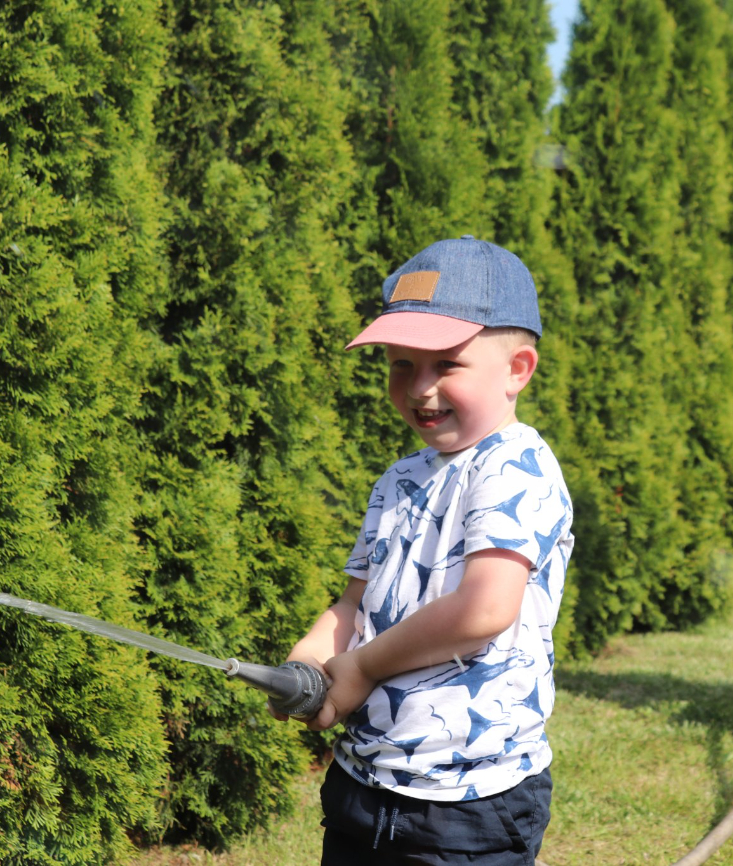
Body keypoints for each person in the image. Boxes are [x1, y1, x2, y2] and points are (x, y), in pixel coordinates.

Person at [271, 235, 573, 864]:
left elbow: (483, 610)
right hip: (363, 781)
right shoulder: (400, 478)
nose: (420, 388)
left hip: (470, 803)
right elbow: (356, 600)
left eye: (447, 364)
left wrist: (363, 667)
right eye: (401, 364)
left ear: (517, 370)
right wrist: (314, 656)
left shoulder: (517, 467)